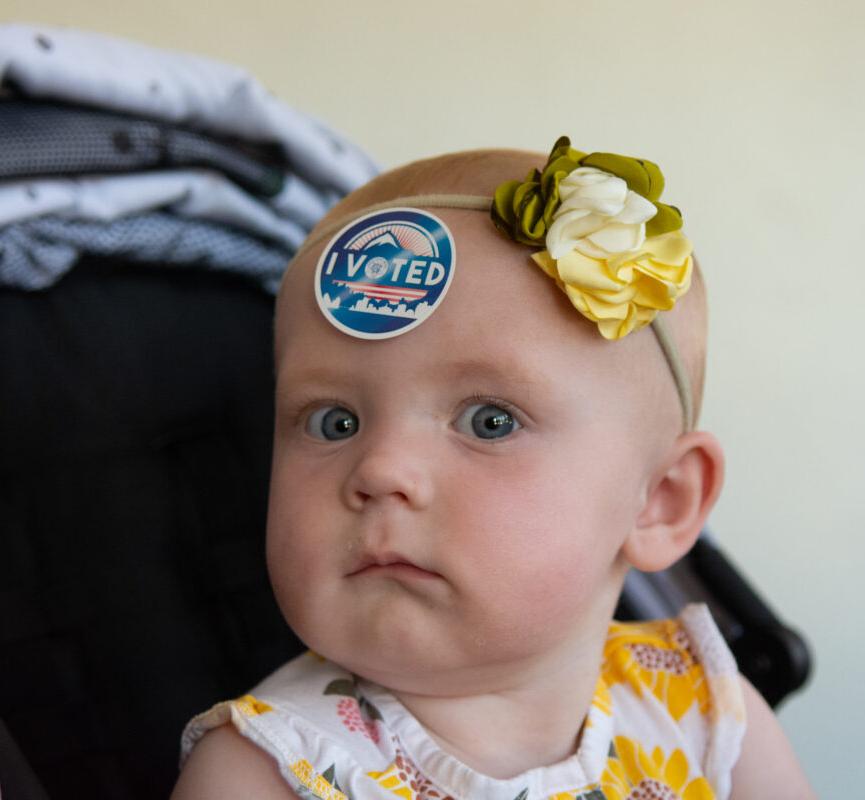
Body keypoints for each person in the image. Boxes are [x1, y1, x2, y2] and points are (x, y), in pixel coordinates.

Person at [170, 138, 816, 799]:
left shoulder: (709, 722)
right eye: (334, 422)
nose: (381, 469)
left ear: (660, 501)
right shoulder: (266, 772)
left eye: (490, 421)